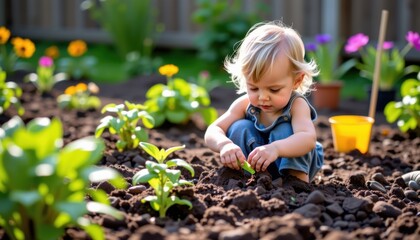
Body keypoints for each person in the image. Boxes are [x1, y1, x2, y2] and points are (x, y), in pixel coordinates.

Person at [204, 20, 323, 183]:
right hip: (258, 166)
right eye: (253, 88)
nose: (262, 97)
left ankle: (296, 183)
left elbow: (307, 139)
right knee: (239, 127)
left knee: (283, 131)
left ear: (296, 80)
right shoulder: (245, 104)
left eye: (274, 90)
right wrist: (224, 145)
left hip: (294, 163)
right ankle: (248, 176)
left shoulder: (297, 105)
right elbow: (214, 129)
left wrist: (276, 148)